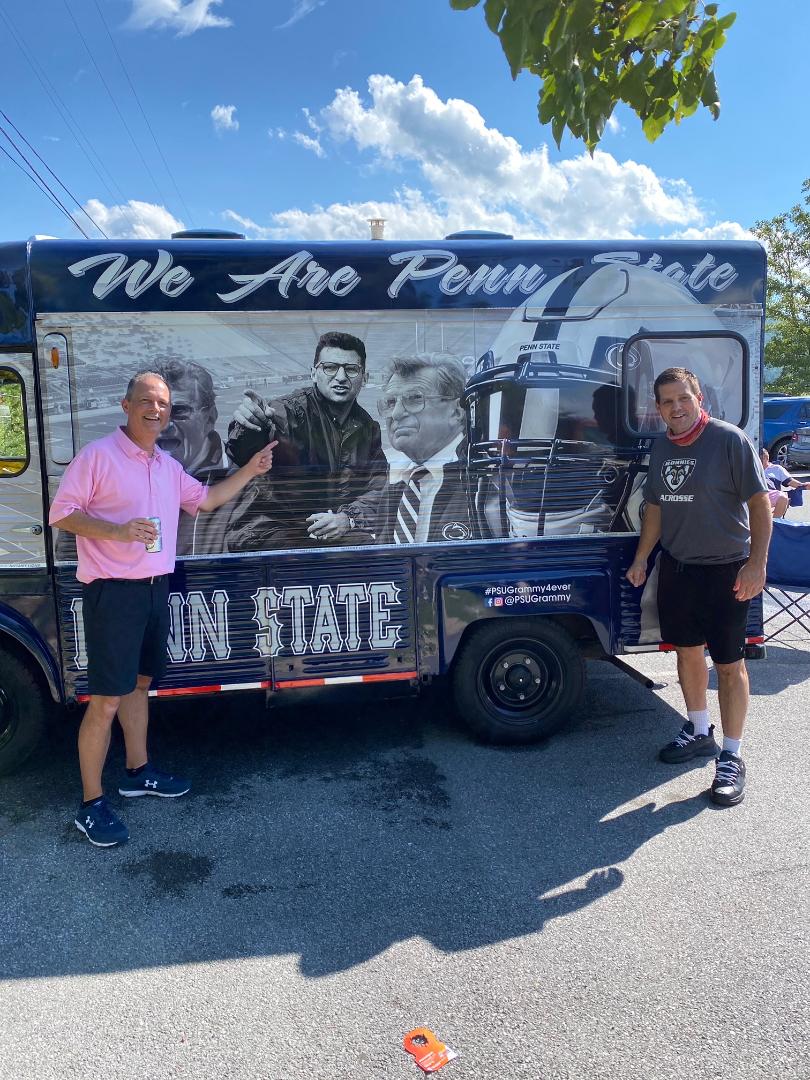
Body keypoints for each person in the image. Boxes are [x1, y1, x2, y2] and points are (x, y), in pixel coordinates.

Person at [49, 371, 276, 848]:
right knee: (106, 700)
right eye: (147, 402)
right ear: (126, 405)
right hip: (113, 592)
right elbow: (62, 514)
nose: (157, 411)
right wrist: (119, 531)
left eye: (164, 404)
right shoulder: (98, 456)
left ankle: (137, 772)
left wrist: (251, 469)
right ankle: (90, 806)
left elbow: (208, 499)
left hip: (156, 588)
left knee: (139, 686)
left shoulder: (164, 465)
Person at [626, 367, 771, 807]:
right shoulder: (662, 446)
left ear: (699, 397)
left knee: (729, 665)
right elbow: (655, 508)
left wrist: (756, 565)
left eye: (683, 399)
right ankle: (698, 728)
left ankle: (731, 756)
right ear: (658, 409)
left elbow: (760, 506)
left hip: (728, 571)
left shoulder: (729, 439)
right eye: (667, 402)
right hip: (679, 568)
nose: (676, 408)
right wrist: (641, 559)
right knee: (687, 653)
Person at [225, 331, 388, 550]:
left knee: (367, 549)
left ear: (364, 378)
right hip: (266, 532)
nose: (341, 377)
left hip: (322, 536)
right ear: (313, 373)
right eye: (330, 367)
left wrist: (347, 518)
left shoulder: (368, 428)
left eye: (351, 369)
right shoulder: (288, 411)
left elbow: (379, 489)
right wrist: (250, 426)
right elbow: (246, 451)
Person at [375, 354, 474, 544]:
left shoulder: (486, 480)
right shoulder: (395, 484)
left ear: (456, 412)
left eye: (414, 399)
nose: (396, 414)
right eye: (390, 402)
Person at [154, 358, 235, 555]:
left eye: (179, 411)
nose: (164, 426)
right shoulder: (118, 484)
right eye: (153, 414)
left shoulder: (246, 489)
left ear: (210, 417)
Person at [760, 446, 810, 518]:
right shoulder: (751, 468)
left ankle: (775, 522)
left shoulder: (777, 469)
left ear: (767, 458)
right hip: (755, 494)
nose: (760, 460)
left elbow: (791, 482)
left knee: (783, 497)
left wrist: (804, 485)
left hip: (771, 496)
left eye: (762, 457)